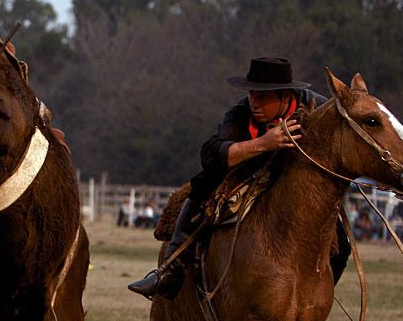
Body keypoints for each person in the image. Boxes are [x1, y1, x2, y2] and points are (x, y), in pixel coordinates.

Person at [129, 57, 350, 299]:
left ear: (286, 95)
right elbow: (211, 154)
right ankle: (172, 270)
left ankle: (317, 295)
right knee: (202, 183)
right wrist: (264, 143)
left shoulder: (317, 107)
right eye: (252, 94)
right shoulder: (240, 113)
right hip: (249, 170)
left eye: (263, 96)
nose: (254, 102)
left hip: (300, 180)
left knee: (341, 244)